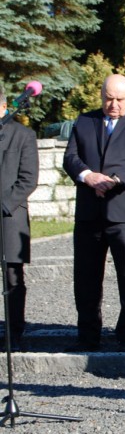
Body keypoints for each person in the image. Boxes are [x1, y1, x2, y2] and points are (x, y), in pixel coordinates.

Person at [63, 74, 125, 353]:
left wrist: (114, 180)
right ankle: (88, 336)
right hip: (90, 212)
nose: (113, 104)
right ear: (101, 95)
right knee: (86, 277)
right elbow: (70, 157)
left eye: (119, 100)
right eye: (108, 98)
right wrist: (88, 176)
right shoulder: (84, 121)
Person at [0, 93, 38, 352]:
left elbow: (28, 179)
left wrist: (4, 204)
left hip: (9, 216)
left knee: (13, 278)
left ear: (4, 107)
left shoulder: (23, 135)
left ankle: (14, 333)